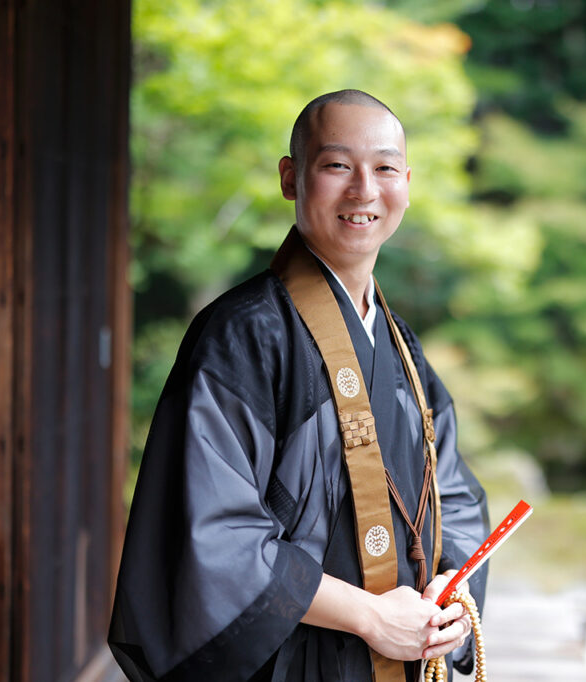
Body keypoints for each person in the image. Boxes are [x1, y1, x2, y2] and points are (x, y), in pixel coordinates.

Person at [109, 90, 490, 681]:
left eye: (385, 168)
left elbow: (455, 494)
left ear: (407, 184)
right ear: (292, 178)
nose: (364, 189)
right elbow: (215, 533)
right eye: (337, 165)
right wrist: (367, 615)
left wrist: (452, 594)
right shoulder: (243, 335)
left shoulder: (403, 347)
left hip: (401, 658)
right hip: (289, 665)